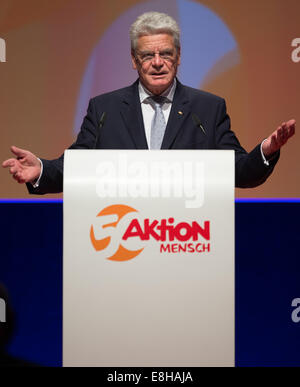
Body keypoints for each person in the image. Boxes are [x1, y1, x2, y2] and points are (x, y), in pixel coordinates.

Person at [2, 12, 295, 194]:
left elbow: (238, 170)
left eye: (166, 54)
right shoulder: (104, 109)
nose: (157, 63)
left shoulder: (208, 108)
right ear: (133, 60)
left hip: (189, 240)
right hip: (124, 241)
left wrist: (265, 152)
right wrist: (40, 169)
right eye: (147, 55)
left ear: (178, 57)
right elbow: (78, 166)